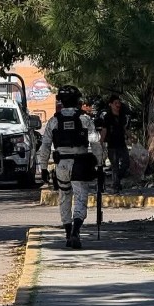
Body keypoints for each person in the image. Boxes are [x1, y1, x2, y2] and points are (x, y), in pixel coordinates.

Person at [38, 85, 103, 249]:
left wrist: (43, 168)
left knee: (64, 197)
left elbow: (45, 147)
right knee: (80, 198)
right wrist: (100, 164)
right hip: (80, 164)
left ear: (61, 101)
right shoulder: (84, 119)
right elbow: (96, 144)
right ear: (77, 100)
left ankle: (68, 233)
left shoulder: (53, 121)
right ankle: (75, 231)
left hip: (61, 165)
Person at [100, 94, 130, 193]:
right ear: (111, 104)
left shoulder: (122, 116)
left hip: (122, 143)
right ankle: (116, 186)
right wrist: (101, 142)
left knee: (126, 163)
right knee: (115, 166)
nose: (118, 105)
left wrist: (131, 137)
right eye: (115, 103)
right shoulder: (107, 117)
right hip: (112, 145)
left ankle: (117, 179)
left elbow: (124, 128)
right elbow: (104, 130)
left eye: (119, 103)